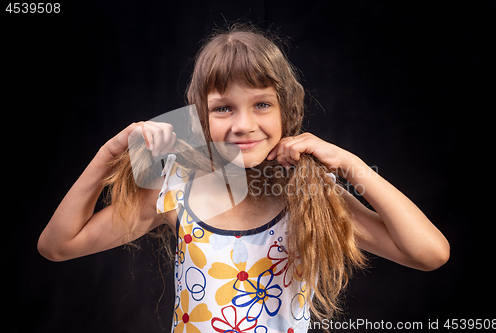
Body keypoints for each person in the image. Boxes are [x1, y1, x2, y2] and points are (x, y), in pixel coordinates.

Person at [38, 24, 449, 333]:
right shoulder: (175, 189)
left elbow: (430, 254)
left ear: (286, 110)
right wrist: (110, 152)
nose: (244, 124)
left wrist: (350, 165)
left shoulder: (312, 194)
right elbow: (58, 246)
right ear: (199, 117)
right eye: (223, 109)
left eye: (261, 104)